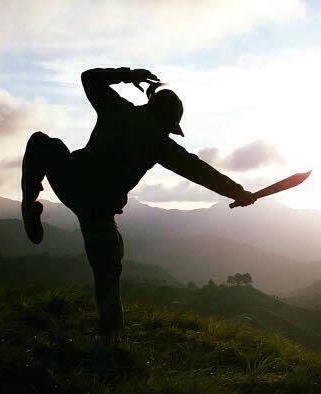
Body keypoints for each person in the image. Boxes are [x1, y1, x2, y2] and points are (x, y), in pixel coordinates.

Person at [20, 67, 256, 342]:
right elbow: (200, 171)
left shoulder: (117, 108)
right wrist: (237, 192)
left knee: (42, 143)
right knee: (108, 272)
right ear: (168, 123)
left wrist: (127, 75)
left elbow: (89, 77)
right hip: (97, 209)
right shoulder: (159, 143)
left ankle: (29, 202)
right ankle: (112, 338)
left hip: (70, 181)